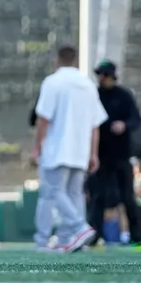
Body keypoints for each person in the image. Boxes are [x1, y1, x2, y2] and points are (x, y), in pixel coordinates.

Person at [32, 46, 105, 253]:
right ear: (75, 61)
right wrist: (93, 153)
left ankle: (78, 229)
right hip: (80, 150)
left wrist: (37, 147)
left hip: (57, 148)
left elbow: (43, 119)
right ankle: (68, 240)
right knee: (75, 194)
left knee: (53, 192)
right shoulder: (88, 85)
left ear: (57, 60)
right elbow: (95, 125)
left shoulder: (53, 82)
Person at [88, 61, 141, 247]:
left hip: (121, 154)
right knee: (98, 197)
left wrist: (124, 126)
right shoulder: (94, 95)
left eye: (104, 75)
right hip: (101, 155)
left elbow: (136, 119)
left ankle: (136, 236)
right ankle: (95, 235)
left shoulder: (124, 96)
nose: (101, 79)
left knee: (128, 197)